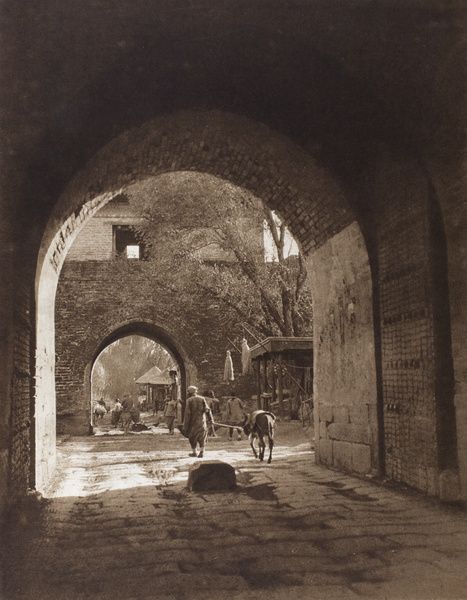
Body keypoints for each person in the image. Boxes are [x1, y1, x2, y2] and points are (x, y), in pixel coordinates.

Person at [181, 385, 213, 458]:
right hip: (202, 421)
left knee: (192, 437)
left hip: (193, 423)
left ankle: (194, 452)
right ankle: (202, 452)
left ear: (189, 392)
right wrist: (211, 419)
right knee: (202, 437)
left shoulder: (189, 400)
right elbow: (207, 410)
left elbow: (187, 414)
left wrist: (185, 425)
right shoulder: (202, 399)